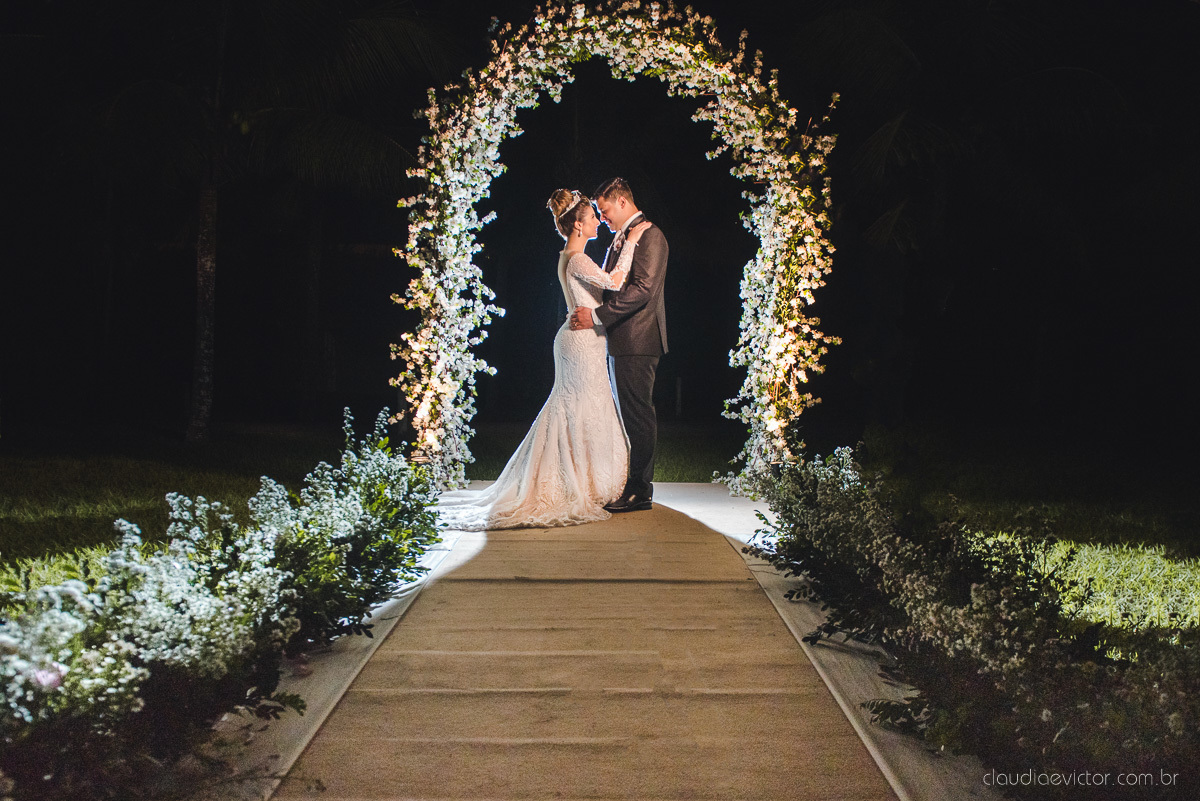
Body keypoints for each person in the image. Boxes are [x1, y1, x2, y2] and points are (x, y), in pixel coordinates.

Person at [435, 189, 650, 530]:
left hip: (581, 338)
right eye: (592, 217)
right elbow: (613, 282)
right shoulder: (577, 259)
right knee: (577, 407)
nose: (598, 220)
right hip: (581, 342)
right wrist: (634, 240)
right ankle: (571, 480)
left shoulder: (570, 254)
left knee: (579, 407)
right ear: (578, 225)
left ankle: (582, 477)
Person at [569, 177, 668, 513]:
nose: (603, 216)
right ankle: (630, 485)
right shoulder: (623, 237)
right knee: (629, 415)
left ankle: (640, 491)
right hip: (621, 341)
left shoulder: (650, 235)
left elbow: (642, 291)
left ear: (622, 202)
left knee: (638, 415)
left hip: (638, 340)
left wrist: (597, 317)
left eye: (605, 209)